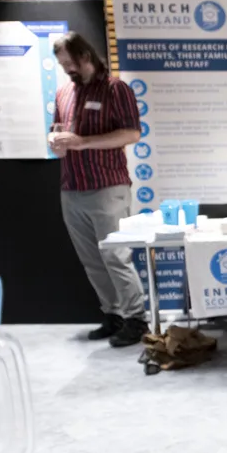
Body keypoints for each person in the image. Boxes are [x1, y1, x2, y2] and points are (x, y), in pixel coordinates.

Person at [47, 32, 147, 348]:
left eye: (70, 63)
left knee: (115, 257)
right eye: (62, 64)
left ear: (86, 56)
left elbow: (132, 134)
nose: (67, 69)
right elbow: (58, 132)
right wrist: (55, 141)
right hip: (71, 187)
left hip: (107, 187)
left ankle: (136, 319)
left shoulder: (115, 89)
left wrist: (83, 142)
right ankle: (113, 314)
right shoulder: (64, 92)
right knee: (92, 260)